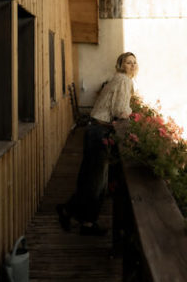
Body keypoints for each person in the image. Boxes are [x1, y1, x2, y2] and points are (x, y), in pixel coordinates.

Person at [57, 52, 138, 235]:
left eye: (134, 62)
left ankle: (78, 217)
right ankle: (80, 218)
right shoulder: (124, 80)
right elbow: (120, 110)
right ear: (121, 65)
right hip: (99, 132)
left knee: (91, 179)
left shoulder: (117, 78)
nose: (132, 65)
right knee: (96, 183)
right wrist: (130, 115)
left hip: (94, 129)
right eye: (128, 62)